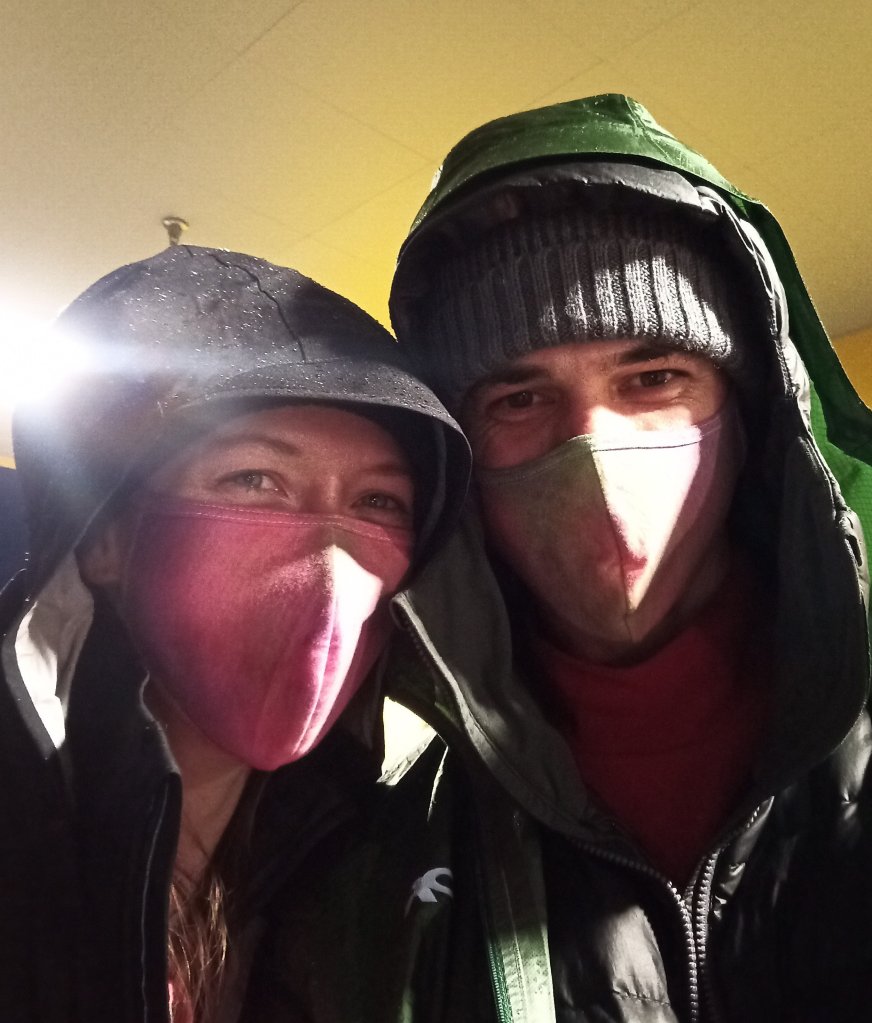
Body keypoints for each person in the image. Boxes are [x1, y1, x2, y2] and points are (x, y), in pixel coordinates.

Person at [273, 95, 872, 1021]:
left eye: (654, 377)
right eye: (518, 399)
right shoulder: (379, 820)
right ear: (461, 455)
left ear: (750, 414)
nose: (591, 447)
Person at [0, 245, 469, 1021]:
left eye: (379, 502)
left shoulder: (372, 853)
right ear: (104, 537)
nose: (332, 563)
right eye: (255, 479)